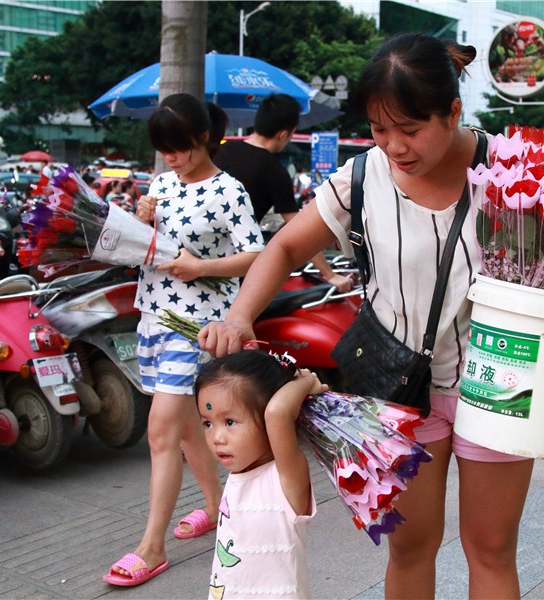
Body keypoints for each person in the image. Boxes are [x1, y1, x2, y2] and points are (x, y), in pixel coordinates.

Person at [198, 33, 544, 599]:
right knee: (411, 549)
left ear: (453, 111)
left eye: (410, 130)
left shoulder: (513, 172)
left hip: (502, 382)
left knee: (491, 550)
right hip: (397, 389)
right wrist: (239, 316)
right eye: (380, 130)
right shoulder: (360, 179)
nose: (394, 146)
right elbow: (283, 247)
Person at [103, 93, 265, 587]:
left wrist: (202, 268)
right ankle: (218, 509)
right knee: (190, 425)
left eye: (178, 148)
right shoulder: (162, 184)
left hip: (197, 328)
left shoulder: (228, 190)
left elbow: (256, 255)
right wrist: (140, 219)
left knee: (162, 431)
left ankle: (151, 548)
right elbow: (146, 249)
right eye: (163, 150)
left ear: (203, 139)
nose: (170, 158)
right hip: (153, 317)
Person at [196, 350, 325, 598]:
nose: (217, 438)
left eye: (230, 422)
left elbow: (277, 413)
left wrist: (304, 380)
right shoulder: (238, 477)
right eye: (207, 423)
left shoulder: (286, 478)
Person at [214, 94, 352, 293]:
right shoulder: (274, 171)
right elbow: (300, 230)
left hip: (197, 251)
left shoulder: (220, 151)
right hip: (234, 266)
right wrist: (329, 274)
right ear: (283, 134)